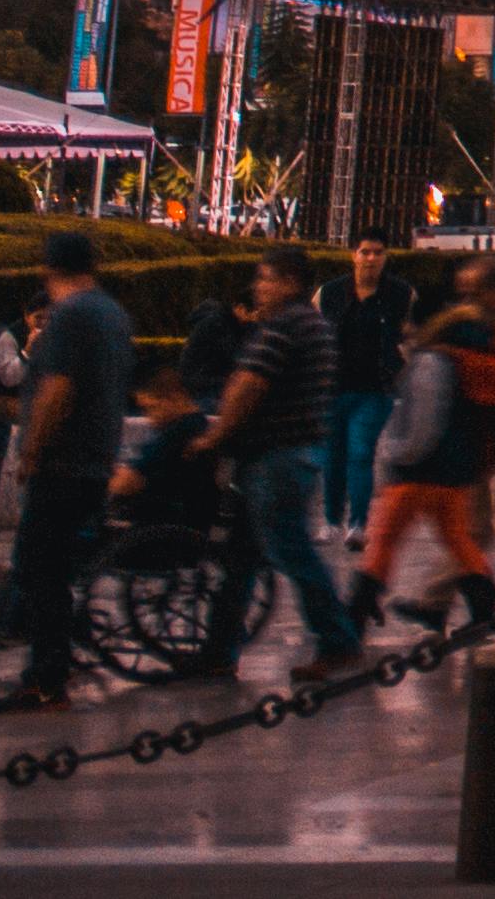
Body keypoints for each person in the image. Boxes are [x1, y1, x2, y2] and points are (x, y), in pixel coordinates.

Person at [188, 243, 371, 678]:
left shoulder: (283, 326)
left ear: (290, 282)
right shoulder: (317, 326)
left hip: (276, 458)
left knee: (291, 553)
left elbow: (248, 386)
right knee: (241, 559)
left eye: (266, 278)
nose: (259, 287)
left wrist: (215, 435)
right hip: (298, 454)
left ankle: (338, 640)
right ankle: (219, 649)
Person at [0, 234, 143, 716]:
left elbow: (57, 389)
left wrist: (30, 451)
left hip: (62, 462)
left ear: (49, 270)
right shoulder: (113, 314)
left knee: (39, 571)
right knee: (53, 569)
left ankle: (47, 679)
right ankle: (55, 665)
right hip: (95, 459)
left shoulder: (70, 316)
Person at [351, 304, 495, 633]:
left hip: (418, 473)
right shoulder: (472, 358)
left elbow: (424, 421)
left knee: (382, 541)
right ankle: (483, 611)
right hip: (455, 473)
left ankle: (354, 617)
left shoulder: (432, 360)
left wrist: (397, 455)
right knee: (459, 540)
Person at [323, 239, 408, 539]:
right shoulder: (330, 293)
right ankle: (331, 519)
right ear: (354, 256)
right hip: (333, 388)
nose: (371, 258)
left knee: (360, 453)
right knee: (332, 457)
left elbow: (410, 334)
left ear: (386, 257)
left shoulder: (399, 294)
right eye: (365, 252)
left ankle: (357, 523)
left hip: (375, 389)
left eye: (378, 252)